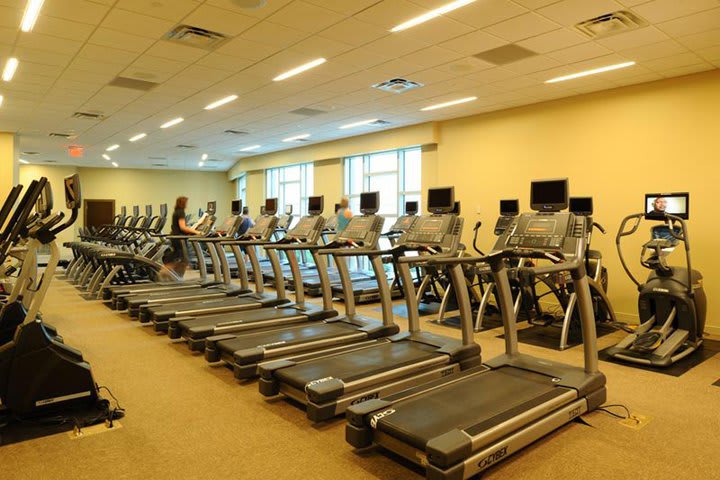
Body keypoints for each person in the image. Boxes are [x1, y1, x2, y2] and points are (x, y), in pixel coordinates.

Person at [165, 196, 201, 278]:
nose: (187, 204)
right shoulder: (181, 212)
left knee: (178, 257)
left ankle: (174, 275)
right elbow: (183, 227)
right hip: (179, 239)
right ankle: (167, 273)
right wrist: (197, 232)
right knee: (184, 259)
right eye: (186, 202)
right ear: (183, 203)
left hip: (175, 237)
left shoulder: (176, 211)